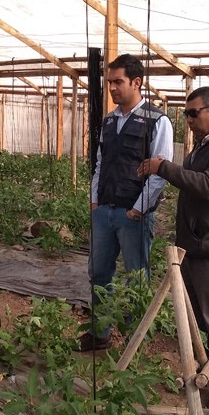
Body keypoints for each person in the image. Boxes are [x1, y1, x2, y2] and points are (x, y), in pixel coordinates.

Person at [137, 86, 209, 412]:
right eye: (185, 113)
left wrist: (164, 167)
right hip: (196, 247)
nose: (187, 119)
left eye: (192, 113)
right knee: (200, 316)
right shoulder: (204, 145)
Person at [78, 53, 173, 351]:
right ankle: (100, 332)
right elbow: (99, 163)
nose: (113, 88)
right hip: (104, 211)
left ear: (137, 82)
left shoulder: (157, 121)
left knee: (136, 278)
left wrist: (137, 209)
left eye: (118, 82)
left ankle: (134, 340)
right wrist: (95, 201)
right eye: (109, 82)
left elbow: (160, 172)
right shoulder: (109, 121)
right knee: (99, 272)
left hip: (133, 215)